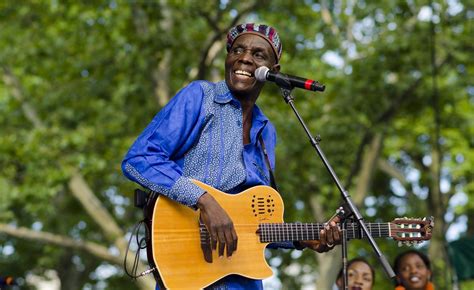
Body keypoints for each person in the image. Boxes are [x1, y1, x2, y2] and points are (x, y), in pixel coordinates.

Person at [122, 23, 341, 289]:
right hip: (191, 272)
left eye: (258, 54)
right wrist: (204, 201)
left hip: (243, 279)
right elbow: (139, 159)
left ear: (273, 71)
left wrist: (304, 239)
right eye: (237, 50)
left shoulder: (266, 131)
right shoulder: (200, 97)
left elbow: (256, 222)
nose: (245, 58)